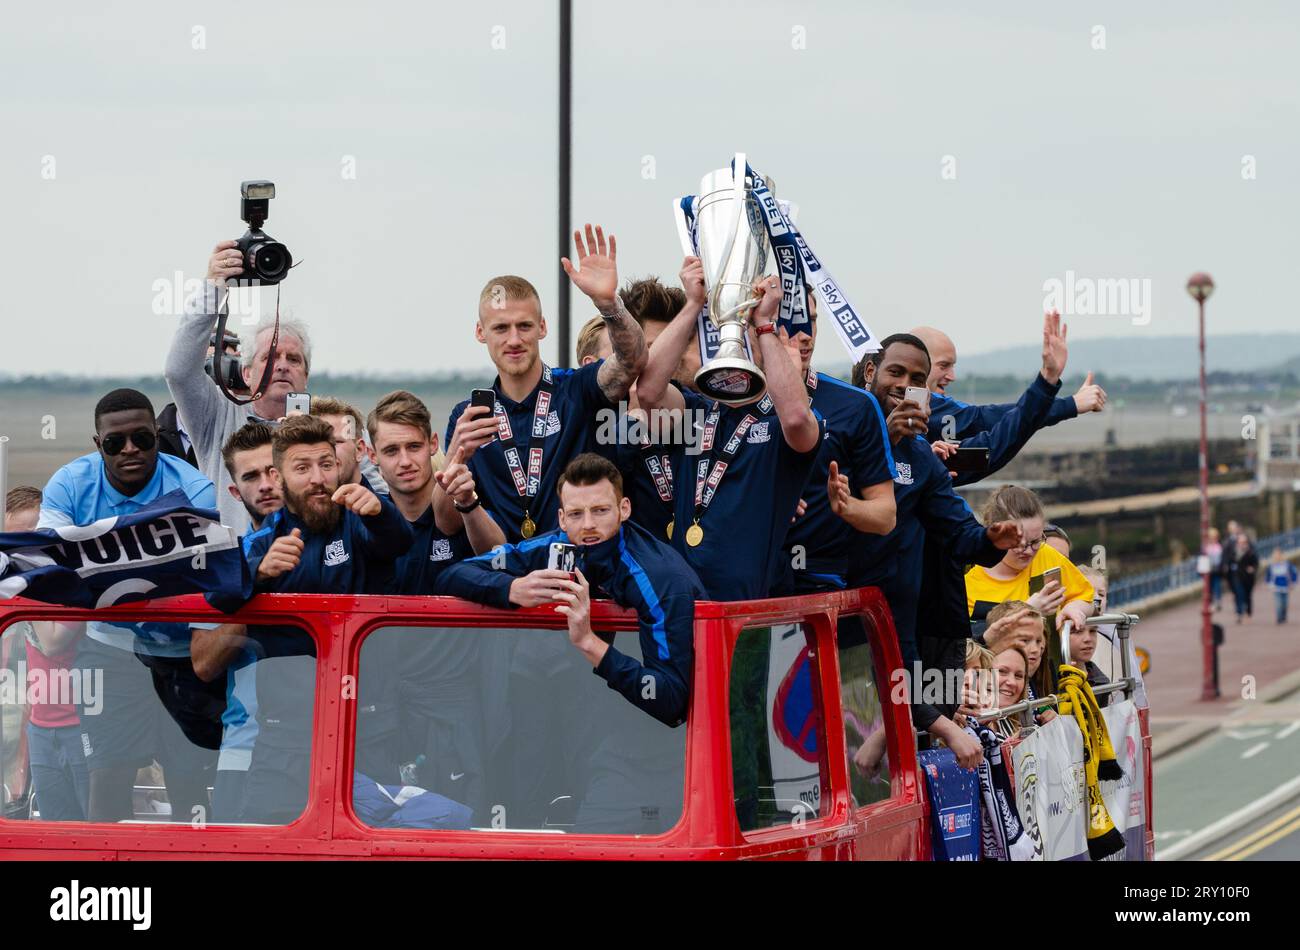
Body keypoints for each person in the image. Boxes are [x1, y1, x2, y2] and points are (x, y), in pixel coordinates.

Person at [437, 453, 705, 831]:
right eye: (576, 514)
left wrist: (589, 643)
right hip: (588, 724)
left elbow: (673, 702)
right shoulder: (554, 548)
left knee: (596, 830)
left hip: (660, 746)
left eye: (600, 511)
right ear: (561, 518)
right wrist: (512, 588)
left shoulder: (660, 577)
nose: (589, 525)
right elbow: (451, 575)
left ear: (624, 509)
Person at [36, 389, 220, 823]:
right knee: (108, 774)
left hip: (183, 655)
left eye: (142, 438)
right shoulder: (68, 484)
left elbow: (200, 577)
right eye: (115, 443)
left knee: (189, 779)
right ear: (97, 444)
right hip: (110, 648)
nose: (130, 450)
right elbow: (48, 563)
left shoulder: (195, 489)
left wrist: (98, 562)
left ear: (157, 435)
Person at [844, 334, 1024, 769]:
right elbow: (828, 512)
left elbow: (960, 533)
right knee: (849, 757)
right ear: (871, 372)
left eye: (917, 379)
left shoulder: (922, 456)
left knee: (895, 768)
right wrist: (882, 441)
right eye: (896, 372)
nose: (906, 385)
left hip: (905, 623)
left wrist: (989, 540)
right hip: (840, 624)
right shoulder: (839, 432)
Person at [237, 414, 414, 822]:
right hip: (286, 736)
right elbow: (217, 595)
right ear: (278, 480)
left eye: (327, 464)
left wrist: (381, 512)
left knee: (376, 846)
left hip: (365, 728)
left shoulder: (357, 523)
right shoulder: (262, 544)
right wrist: (257, 574)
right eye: (302, 468)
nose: (319, 478)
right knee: (262, 846)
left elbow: (398, 541)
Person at [438, 224, 647, 546]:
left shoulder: (577, 390)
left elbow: (632, 361)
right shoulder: (469, 416)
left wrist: (608, 304)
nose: (514, 339)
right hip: (507, 579)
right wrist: (456, 455)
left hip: (578, 569)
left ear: (542, 327)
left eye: (524, 326)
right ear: (481, 333)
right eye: (500, 328)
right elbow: (446, 523)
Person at [635, 263, 824, 602]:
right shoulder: (695, 411)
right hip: (680, 602)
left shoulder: (782, 424)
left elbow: (796, 418)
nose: (747, 341)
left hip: (745, 613)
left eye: (753, 332)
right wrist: (693, 304)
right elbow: (648, 391)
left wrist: (764, 325)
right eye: (743, 328)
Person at [365, 389, 504, 817]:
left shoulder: (462, 504)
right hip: (386, 706)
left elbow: (500, 560)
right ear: (372, 456)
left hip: (457, 705)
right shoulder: (367, 522)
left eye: (412, 446)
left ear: (433, 445)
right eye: (391, 450)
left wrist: (469, 504)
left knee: (464, 825)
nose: (404, 460)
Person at [165, 240, 317, 529]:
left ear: (306, 376)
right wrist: (213, 287)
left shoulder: (323, 426)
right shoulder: (218, 416)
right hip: (234, 565)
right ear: (246, 373)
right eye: (270, 357)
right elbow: (178, 371)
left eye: (294, 359)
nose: (282, 364)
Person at [190, 421, 283, 821]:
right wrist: (255, 585)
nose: (265, 484)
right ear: (234, 491)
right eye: (251, 476)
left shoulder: (337, 541)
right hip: (244, 745)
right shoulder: (222, 564)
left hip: (328, 739)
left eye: (273, 470)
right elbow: (204, 663)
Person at [780, 286, 897, 594]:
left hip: (821, 585)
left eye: (812, 322)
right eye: (792, 322)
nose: (805, 335)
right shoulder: (734, 399)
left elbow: (885, 516)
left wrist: (847, 507)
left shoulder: (855, 405)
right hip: (746, 581)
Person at [6, 488, 91, 821]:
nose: (16, 552)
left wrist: (29, 583)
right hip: (41, 725)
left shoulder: (68, 582)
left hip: (80, 722)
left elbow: (54, 640)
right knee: (55, 827)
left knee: (92, 824)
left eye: (27, 540)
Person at [965, 485, 1094, 633]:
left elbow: (1085, 597)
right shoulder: (970, 587)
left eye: (1035, 541)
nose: (1028, 551)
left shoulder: (1047, 555)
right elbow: (975, 643)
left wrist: (1075, 609)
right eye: (1018, 543)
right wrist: (1027, 610)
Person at [310, 396, 388, 494]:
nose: (322, 452)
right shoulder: (298, 507)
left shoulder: (385, 507)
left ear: (359, 450)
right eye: (315, 444)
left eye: (335, 442)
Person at [989, 645, 1030, 739]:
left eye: (1018, 676)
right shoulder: (960, 724)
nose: (1012, 682)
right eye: (1002, 671)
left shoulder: (1023, 728)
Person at [1228, 533, 1259, 623]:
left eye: (1244, 542)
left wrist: (1252, 568)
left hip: (1248, 578)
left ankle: (1248, 612)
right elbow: (1230, 563)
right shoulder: (1234, 552)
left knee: (1247, 596)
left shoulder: (1251, 552)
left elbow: (1256, 563)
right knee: (1238, 594)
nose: (1242, 544)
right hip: (1237, 577)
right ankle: (1239, 613)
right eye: (1240, 542)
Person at [1267, 548, 1298, 624]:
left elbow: (1294, 573)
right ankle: (1279, 618)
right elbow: (1268, 576)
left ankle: (1284, 615)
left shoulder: (1287, 564)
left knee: (1285, 603)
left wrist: (1293, 582)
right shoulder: (1271, 565)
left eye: (1278, 554)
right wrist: (1269, 584)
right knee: (1278, 603)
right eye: (1275, 555)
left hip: (1286, 586)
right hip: (1276, 586)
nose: (1277, 556)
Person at [1205, 527, 1224, 610]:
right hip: (1208, 570)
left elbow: (1219, 559)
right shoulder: (1206, 547)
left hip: (1216, 569)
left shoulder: (1218, 547)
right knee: (1209, 587)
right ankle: (1211, 601)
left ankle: (1217, 601)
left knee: (1217, 585)